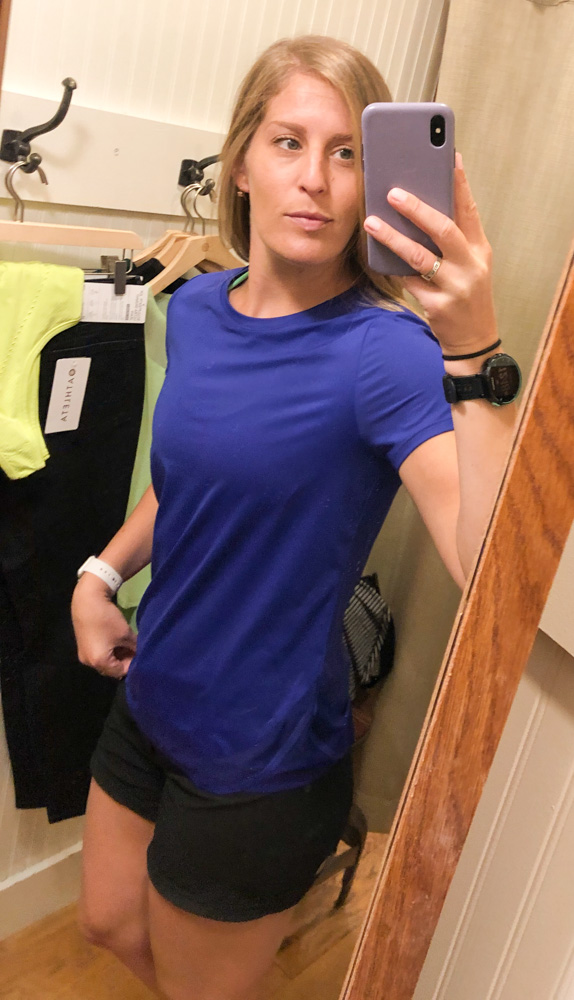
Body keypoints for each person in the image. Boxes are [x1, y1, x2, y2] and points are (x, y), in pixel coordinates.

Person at [71, 34, 518, 1000]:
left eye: (346, 152)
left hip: (259, 759)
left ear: (371, 183)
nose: (315, 177)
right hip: (153, 695)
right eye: (288, 143)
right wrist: (100, 574)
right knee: (106, 921)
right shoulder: (199, 308)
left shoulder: (387, 355)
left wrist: (473, 352)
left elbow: (487, 568)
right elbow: (191, 477)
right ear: (241, 163)